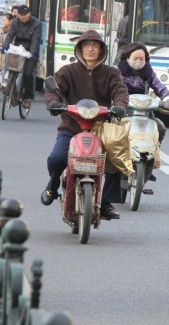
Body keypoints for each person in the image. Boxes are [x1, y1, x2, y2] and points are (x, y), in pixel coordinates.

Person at [41, 30, 129, 221]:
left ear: (101, 50)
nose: (90, 49)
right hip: (71, 127)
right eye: (86, 45)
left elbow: (120, 91)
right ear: (80, 49)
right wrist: (53, 103)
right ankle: (53, 184)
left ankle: (106, 202)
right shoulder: (67, 71)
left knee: (117, 158)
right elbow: (53, 90)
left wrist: (120, 106)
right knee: (57, 158)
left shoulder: (111, 73)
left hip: (101, 128)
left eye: (95, 45)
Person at [116, 41, 169, 143]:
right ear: (127, 58)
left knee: (160, 128)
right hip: (121, 110)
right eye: (135, 58)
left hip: (144, 111)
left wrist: (168, 99)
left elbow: (159, 86)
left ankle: (155, 154)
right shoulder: (116, 72)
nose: (138, 61)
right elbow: (111, 88)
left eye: (141, 59)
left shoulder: (149, 73)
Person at [1, 4, 42, 110]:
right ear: (18, 14)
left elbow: (35, 40)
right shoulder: (14, 22)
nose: (23, 16)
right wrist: (5, 47)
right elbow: (10, 35)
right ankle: (11, 89)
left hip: (30, 51)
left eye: (25, 14)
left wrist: (32, 54)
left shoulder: (36, 23)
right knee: (11, 70)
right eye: (21, 14)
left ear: (29, 14)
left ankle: (28, 97)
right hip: (18, 49)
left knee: (28, 74)